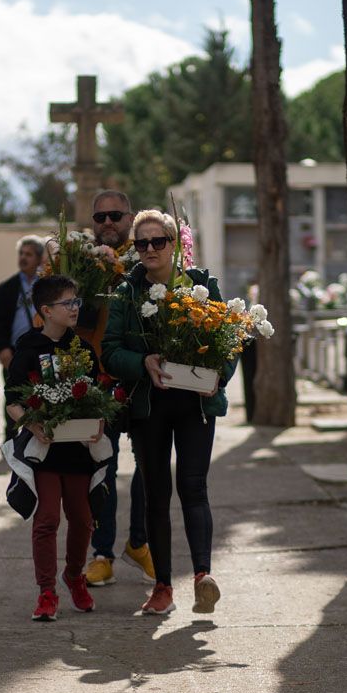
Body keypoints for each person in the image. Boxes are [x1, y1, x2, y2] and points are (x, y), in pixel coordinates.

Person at [103, 210, 234, 617]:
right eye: (141, 244)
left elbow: (227, 344)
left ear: (174, 244)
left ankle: (202, 578)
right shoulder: (127, 293)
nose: (149, 250)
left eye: (158, 241)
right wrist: (143, 361)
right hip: (148, 405)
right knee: (156, 493)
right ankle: (162, 586)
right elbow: (109, 351)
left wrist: (218, 379)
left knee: (193, 486)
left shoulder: (201, 286)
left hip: (195, 402)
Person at [5, 274, 102, 622]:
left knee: (83, 519)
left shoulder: (84, 350)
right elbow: (12, 400)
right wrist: (32, 424)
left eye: (76, 301)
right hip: (44, 452)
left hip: (77, 451)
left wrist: (98, 424)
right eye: (68, 303)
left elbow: (96, 400)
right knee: (47, 518)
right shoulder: (28, 347)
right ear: (46, 310)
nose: (75, 308)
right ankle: (46, 592)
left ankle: (74, 576)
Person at [74, 190, 151, 588]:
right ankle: (101, 553)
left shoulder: (148, 255)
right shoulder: (79, 262)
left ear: (130, 217)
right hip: (95, 381)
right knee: (101, 470)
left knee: (148, 467)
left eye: (115, 216)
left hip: (140, 378)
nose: (107, 223)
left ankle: (139, 542)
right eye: (99, 216)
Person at [0, 236, 47, 440]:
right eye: (21, 253)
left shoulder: (48, 285)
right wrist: (2, 348)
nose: (23, 258)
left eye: (29, 254)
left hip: (43, 352)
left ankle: (41, 439)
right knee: (13, 399)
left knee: (42, 400)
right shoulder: (7, 288)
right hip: (14, 353)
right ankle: (11, 442)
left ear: (40, 258)